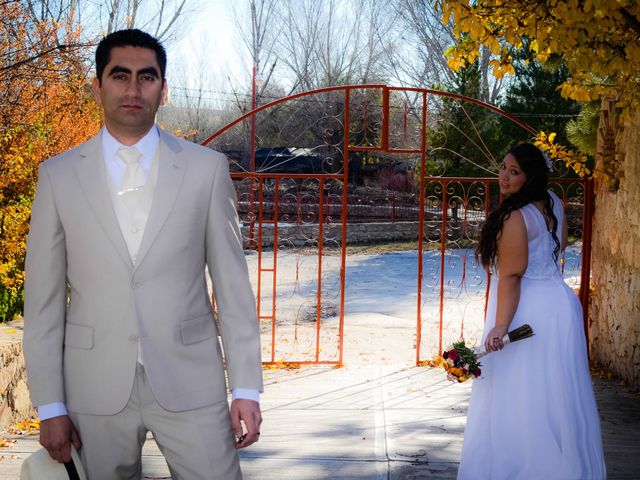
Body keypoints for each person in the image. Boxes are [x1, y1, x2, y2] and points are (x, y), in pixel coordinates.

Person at [23, 29, 263, 479]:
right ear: (97, 86)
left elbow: (232, 288)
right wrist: (50, 404)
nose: (133, 89)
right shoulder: (57, 177)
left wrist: (247, 387)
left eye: (147, 77)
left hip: (192, 380)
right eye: (120, 75)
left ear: (163, 88)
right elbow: (43, 304)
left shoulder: (205, 170)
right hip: (93, 388)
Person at [457, 143, 606, 479]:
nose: (505, 177)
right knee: (554, 398)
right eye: (504, 168)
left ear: (530, 176)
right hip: (560, 306)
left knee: (520, 398)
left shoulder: (515, 217)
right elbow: (560, 246)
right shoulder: (552, 202)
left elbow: (511, 277)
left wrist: (499, 327)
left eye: (515, 172)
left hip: (528, 312)